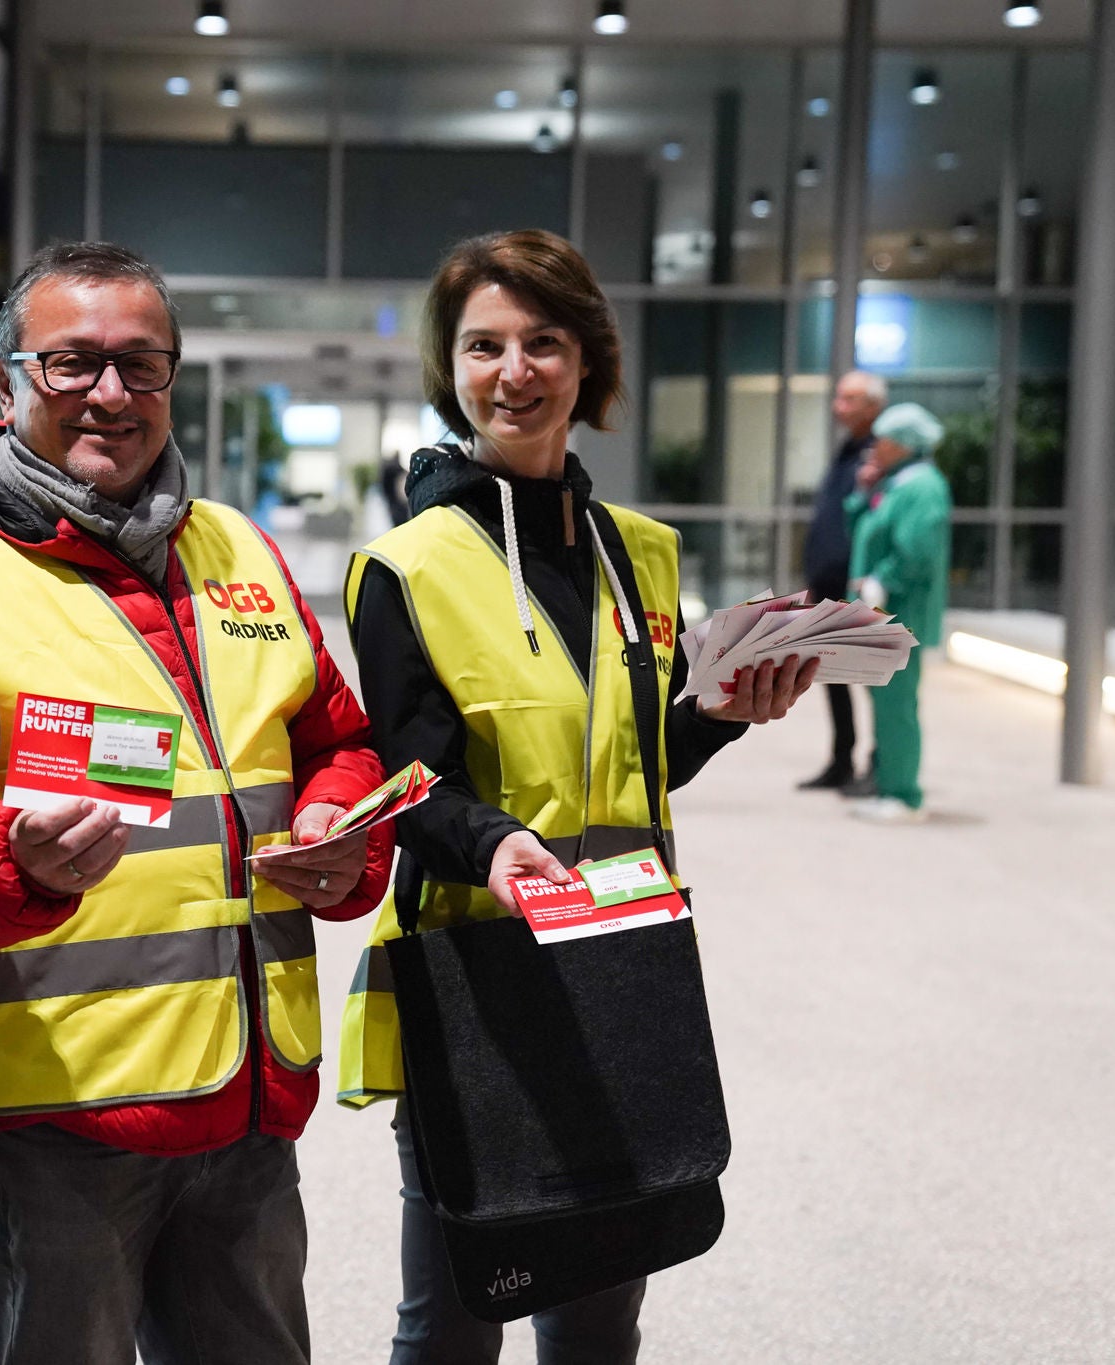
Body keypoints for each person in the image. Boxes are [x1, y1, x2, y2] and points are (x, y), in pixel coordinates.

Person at [0, 240, 395, 1365]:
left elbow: (337, 739)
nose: (110, 394)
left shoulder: (236, 548)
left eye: (141, 365)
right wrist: (7, 858)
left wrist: (340, 831)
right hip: (55, 1116)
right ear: (3, 384)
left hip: (245, 1094)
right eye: (70, 363)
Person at [339, 229, 820, 1365]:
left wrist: (718, 713)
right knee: (455, 1317)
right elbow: (408, 785)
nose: (514, 371)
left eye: (542, 341)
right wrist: (493, 844)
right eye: (483, 345)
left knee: (601, 1312)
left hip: (621, 958)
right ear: (449, 369)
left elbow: (632, 764)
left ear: (585, 361)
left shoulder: (639, 555)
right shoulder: (405, 566)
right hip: (478, 974)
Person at [845, 402, 952, 824]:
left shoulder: (922, 487)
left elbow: (917, 551)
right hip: (882, 612)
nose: (877, 446)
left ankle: (905, 794)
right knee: (885, 701)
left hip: (899, 613)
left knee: (897, 704)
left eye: (885, 440)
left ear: (906, 444)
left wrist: (884, 578)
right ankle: (891, 785)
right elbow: (866, 529)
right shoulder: (897, 483)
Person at [799, 370, 887, 791]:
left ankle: (881, 762)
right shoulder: (848, 450)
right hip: (831, 583)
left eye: (849, 400)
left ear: (874, 407)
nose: (839, 407)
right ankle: (842, 759)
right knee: (832, 674)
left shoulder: (881, 454)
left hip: (863, 587)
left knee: (874, 677)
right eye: (839, 398)